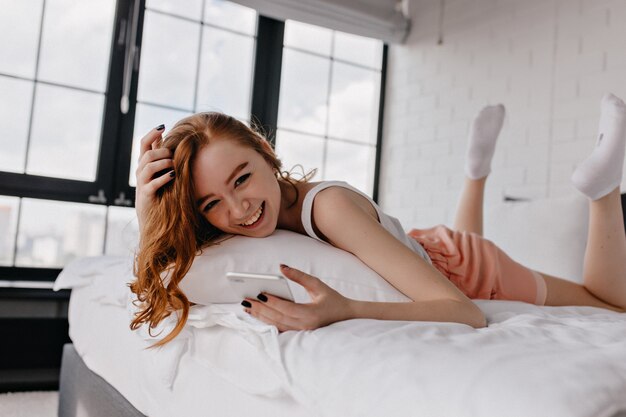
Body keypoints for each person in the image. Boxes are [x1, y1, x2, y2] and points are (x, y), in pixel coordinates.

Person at [130, 93, 626, 347]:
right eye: (211, 204)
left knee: (610, 304)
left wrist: (345, 309)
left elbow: (466, 311)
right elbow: (169, 264)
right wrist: (145, 205)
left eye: (242, 179)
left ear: (265, 149)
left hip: (470, 271)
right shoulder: (244, 217)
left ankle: (602, 191)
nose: (237, 210)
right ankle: (475, 173)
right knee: (464, 235)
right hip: (425, 245)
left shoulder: (328, 208)